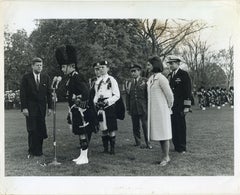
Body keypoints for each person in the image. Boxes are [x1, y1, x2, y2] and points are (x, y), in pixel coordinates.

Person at [55, 44, 97, 165]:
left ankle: (85, 157)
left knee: (83, 132)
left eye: (64, 66)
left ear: (72, 66)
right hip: (75, 109)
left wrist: (81, 102)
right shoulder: (70, 78)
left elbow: (86, 91)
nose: (62, 69)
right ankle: (82, 155)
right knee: (80, 133)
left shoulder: (77, 77)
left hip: (82, 110)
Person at [20, 57, 52, 160]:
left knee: (41, 129)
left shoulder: (45, 77)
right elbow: (23, 94)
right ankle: (31, 151)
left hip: (41, 108)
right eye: (37, 65)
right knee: (32, 129)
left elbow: (49, 93)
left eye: (41, 65)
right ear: (32, 66)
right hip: (30, 108)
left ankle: (39, 151)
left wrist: (50, 107)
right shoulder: (26, 77)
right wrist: (24, 108)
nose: (39, 67)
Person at [147, 56, 174, 166]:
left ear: (155, 65)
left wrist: (167, 108)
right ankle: (164, 156)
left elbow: (170, 96)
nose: (147, 67)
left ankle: (166, 157)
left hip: (162, 110)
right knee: (159, 134)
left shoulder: (162, 79)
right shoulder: (151, 78)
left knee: (164, 133)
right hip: (154, 111)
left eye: (149, 64)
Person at [93, 60, 120, 155]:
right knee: (103, 127)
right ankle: (105, 148)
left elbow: (117, 95)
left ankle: (112, 149)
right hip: (100, 106)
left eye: (103, 67)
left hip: (109, 105)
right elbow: (96, 94)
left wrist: (107, 101)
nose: (101, 69)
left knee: (111, 128)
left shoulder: (111, 80)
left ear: (108, 68)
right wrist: (95, 102)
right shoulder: (98, 81)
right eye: (99, 67)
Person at [167, 55, 192, 154]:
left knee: (180, 126)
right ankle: (176, 145)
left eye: (172, 63)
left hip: (181, 106)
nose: (170, 65)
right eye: (169, 64)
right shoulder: (170, 75)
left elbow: (188, 91)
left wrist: (187, 106)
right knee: (173, 126)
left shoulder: (183, 74)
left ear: (178, 63)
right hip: (172, 106)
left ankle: (182, 147)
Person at [126, 64, 152, 149]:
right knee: (135, 126)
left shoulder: (145, 81)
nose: (133, 73)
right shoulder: (129, 82)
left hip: (143, 107)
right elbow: (128, 96)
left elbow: (148, 95)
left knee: (145, 125)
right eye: (132, 71)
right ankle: (137, 142)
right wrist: (128, 108)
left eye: (135, 71)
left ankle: (148, 143)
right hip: (133, 107)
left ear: (139, 71)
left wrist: (149, 107)